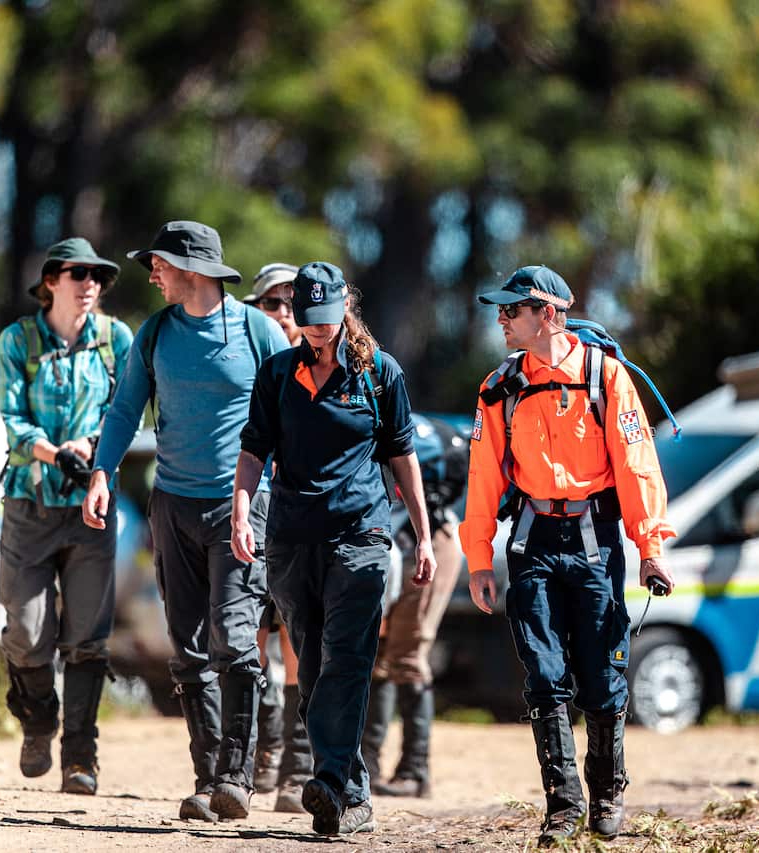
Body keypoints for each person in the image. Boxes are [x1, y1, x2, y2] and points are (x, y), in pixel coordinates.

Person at [458, 266, 676, 846]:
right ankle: (562, 806)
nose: (501, 320)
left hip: (596, 542)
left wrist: (651, 548)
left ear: (547, 314)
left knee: (603, 674)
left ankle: (607, 796)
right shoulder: (498, 386)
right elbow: (483, 477)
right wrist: (479, 558)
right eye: (500, 311)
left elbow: (637, 467)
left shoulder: (607, 378)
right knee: (544, 675)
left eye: (512, 311)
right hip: (531, 543)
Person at [83, 220, 290, 821]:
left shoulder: (258, 332)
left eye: (160, 263)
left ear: (193, 270)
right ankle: (208, 779)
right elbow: (125, 410)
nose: (151, 273)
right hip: (172, 504)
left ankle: (237, 774)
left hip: (241, 506)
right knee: (188, 648)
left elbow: (290, 416)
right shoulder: (154, 334)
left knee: (234, 636)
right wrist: (102, 472)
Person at [230, 261, 437, 837]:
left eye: (326, 319)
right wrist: (242, 510)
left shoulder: (380, 373)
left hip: (361, 535)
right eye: (307, 319)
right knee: (314, 664)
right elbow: (253, 451)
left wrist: (422, 535)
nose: (318, 330)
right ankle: (351, 792)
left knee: (347, 658)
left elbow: (403, 458)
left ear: (346, 306)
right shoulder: (277, 373)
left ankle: (327, 781)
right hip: (292, 539)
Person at [0, 238, 134, 796]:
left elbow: (129, 410)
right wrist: (58, 453)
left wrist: (93, 445)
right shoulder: (17, 339)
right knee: (27, 634)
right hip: (30, 504)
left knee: (88, 638)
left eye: (98, 275)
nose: (91, 283)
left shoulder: (116, 339)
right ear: (51, 280)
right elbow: (12, 418)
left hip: (91, 508)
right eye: (79, 274)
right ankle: (37, 719)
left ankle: (80, 756)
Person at [361, 413, 467, 798]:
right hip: (392, 549)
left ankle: (415, 770)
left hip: (432, 545)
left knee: (408, 653)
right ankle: (368, 767)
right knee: (376, 654)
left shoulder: (389, 432)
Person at [242, 261, 312, 811]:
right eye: (271, 302)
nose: (282, 313)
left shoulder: (318, 365)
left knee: (298, 636)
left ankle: (299, 763)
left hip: (299, 516)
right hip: (251, 511)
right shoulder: (247, 364)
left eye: (291, 302)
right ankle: (263, 754)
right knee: (254, 634)